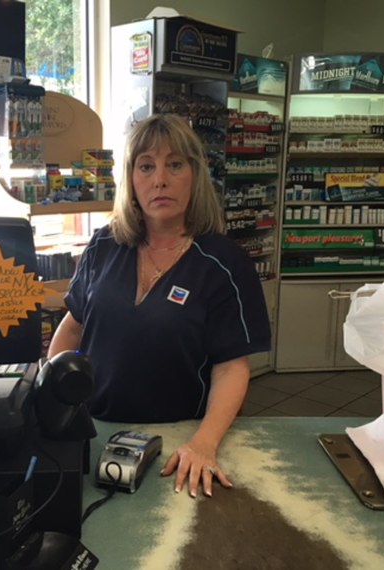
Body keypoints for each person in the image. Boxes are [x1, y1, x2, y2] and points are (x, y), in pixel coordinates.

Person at [47, 114, 271, 497]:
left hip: (181, 441)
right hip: (96, 428)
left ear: (195, 175)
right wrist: (51, 397)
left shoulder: (223, 264)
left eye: (175, 164)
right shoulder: (104, 245)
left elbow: (232, 367)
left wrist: (204, 443)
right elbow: (73, 326)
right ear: (131, 180)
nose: (160, 179)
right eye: (146, 166)